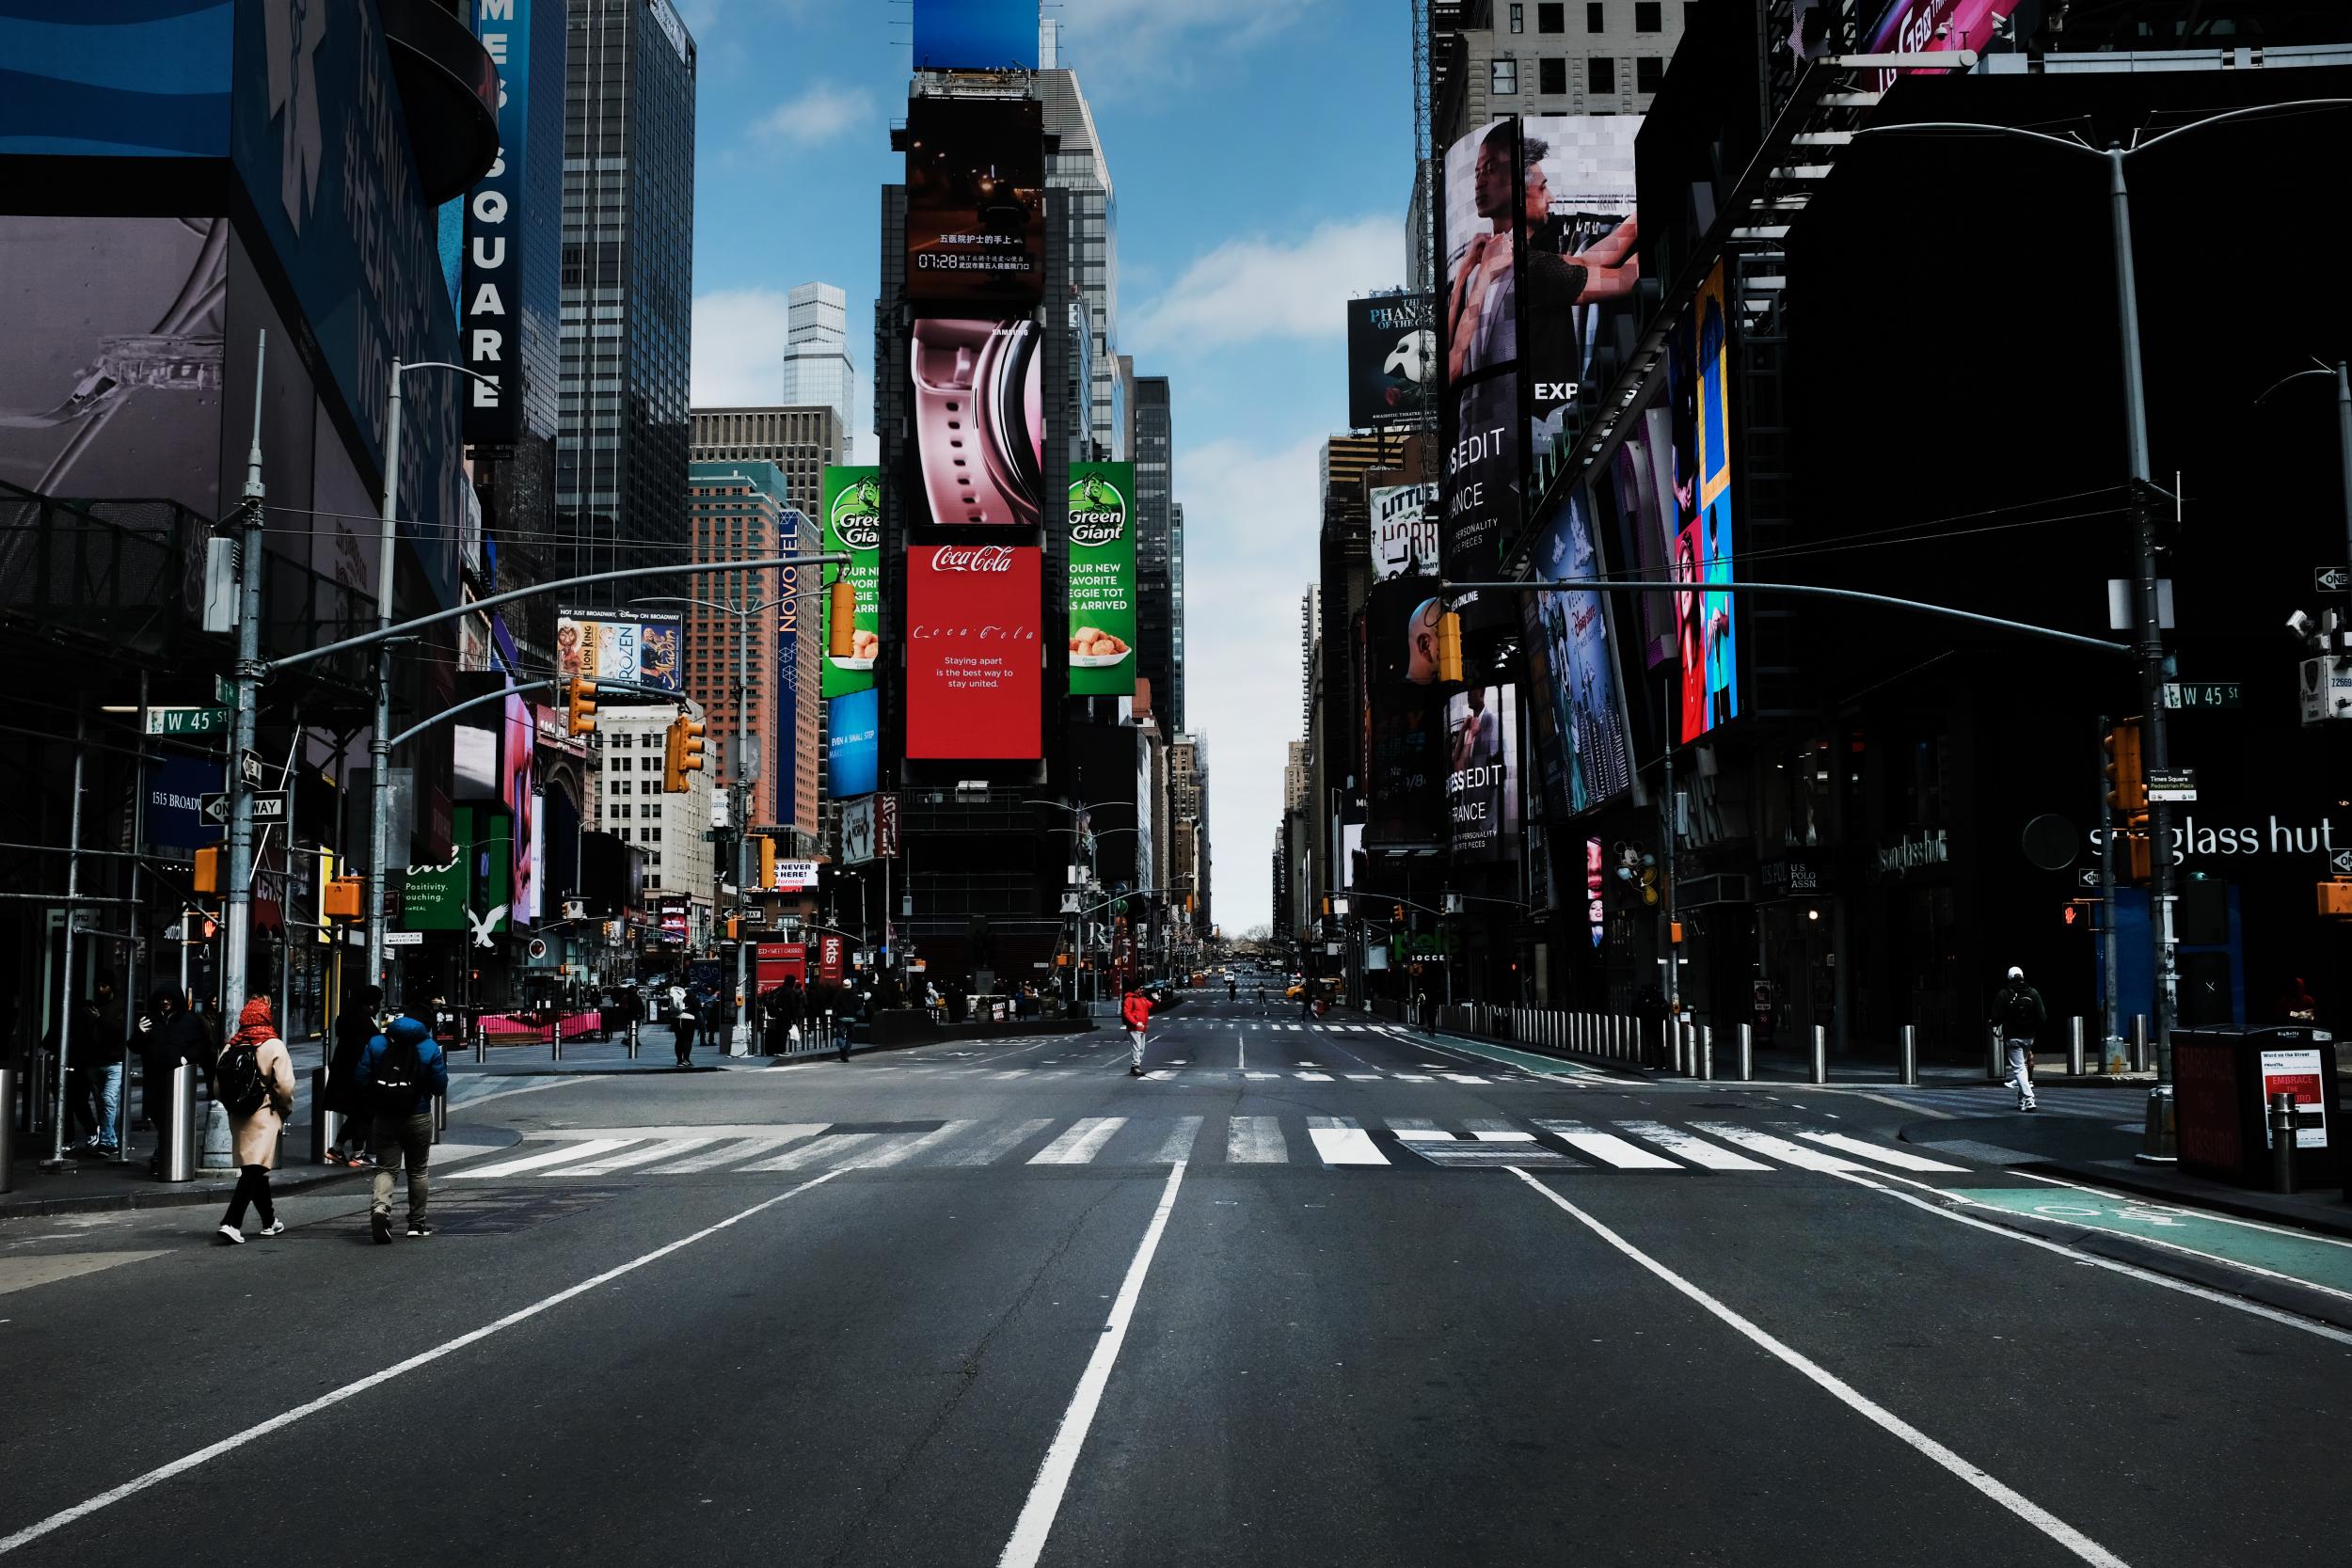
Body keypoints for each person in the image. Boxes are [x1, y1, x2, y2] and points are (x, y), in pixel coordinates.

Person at [356, 1014, 449, 1243]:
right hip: (418, 1114)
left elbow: (360, 1077)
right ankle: (416, 1223)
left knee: (386, 1168)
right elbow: (439, 1086)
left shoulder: (376, 1043)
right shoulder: (430, 1048)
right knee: (417, 1170)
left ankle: (380, 1210)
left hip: (385, 1116)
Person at [215, 997, 296, 1244]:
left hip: (239, 1115)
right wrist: (284, 1109)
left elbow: (218, 1086)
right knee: (255, 1168)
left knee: (255, 1168)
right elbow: (284, 1086)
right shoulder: (273, 1045)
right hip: (265, 1111)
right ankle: (231, 1222)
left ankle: (269, 1221)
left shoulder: (231, 1045)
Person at [134, 985, 211, 1176]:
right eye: (162, 998)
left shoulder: (190, 1021)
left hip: (178, 1076)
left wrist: (185, 1059)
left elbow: (202, 1044)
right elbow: (134, 1046)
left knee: (172, 1118)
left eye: (169, 998)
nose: (165, 1002)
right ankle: (163, 1153)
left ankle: (161, 1156)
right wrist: (140, 1032)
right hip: (154, 1076)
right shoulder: (150, 1020)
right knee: (158, 1115)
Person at [325, 984, 383, 1166]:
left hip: (345, 1075)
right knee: (364, 1113)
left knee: (356, 1114)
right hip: (358, 1077)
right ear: (371, 1003)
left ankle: (337, 1148)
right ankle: (357, 1153)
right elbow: (369, 1049)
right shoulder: (362, 1022)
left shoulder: (349, 1018)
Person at [1991, 965, 2044, 1112]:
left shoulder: (2004, 994)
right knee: (2023, 1069)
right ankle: (2021, 1099)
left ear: (2009, 978)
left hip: (2012, 1037)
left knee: (2019, 1068)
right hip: (2029, 1037)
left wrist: (1995, 1023)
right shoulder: (2033, 993)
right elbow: (2042, 1016)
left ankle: (2029, 1098)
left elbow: (1996, 1016)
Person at [1121, 985, 1153, 1078]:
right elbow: (1126, 1013)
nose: (1142, 990)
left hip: (1142, 1027)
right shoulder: (1129, 999)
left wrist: (1155, 999)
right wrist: (1135, 1023)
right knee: (1137, 1047)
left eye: (1142, 988)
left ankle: (1135, 1066)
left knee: (1141, 1048)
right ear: (1134, 989)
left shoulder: (1142, 998)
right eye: (1140, 988)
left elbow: (1150, 1005)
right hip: (1134, 1028)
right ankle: (1135, 1066)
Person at [673, 986, 699, 1067]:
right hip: (688, 1018)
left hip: (676, 1018)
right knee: (688, 1039)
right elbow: (697, 1006)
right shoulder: (690, 992)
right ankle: (686, 1059)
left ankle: (679, 1060)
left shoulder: (675, 992)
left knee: (679, 1039)